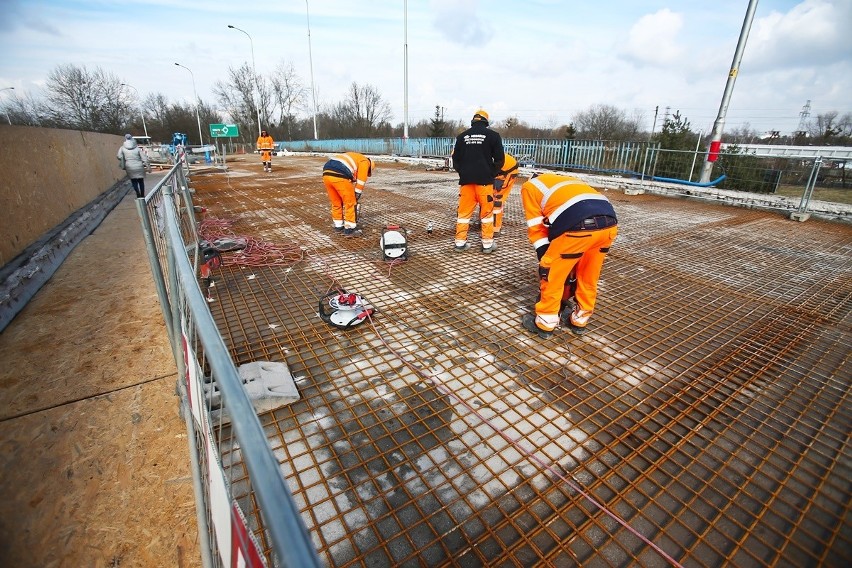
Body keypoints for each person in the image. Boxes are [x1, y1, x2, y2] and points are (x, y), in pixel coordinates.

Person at [519, 173, 618, 338]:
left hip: (577, 226)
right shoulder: (567, 181)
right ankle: (580, 320)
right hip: (609, 225)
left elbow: (536, 227)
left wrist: (547, 259)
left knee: (552, 274)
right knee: (588, 275)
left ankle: (545, 323)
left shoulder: (530, 187)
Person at [451, 109, 505, 253]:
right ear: (486, 122)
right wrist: (490, 173)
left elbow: (455, 159)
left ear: (473, 121)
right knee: (486, 213)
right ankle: (487, 244)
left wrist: (463, 172)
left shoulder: (461, 137)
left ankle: (460, 243)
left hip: (466, 183)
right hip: (484, 183)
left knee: (463, 214)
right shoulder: (493, 136)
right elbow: (500, 159)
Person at [321, 152, 375, 237]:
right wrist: (357, 194)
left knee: (336, 202)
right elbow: (361, 181)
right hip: (340, 174)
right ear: (370, 166)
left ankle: (338, 226)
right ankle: (349, 230)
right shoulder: (365, 162)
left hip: (326, 173)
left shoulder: (354, 156)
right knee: (350, 203)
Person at [493, 152, 519, 236]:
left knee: (496, 199)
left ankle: (494, 228)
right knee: (488, 196)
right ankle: (487, 221)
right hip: (502, 169)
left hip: (507, 172)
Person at [117, 134, 150, 198]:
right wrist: (148, 166)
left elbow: (119, 156)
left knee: (134, 181)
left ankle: (138, 193)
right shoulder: (137, 148)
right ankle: (142, 195)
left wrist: (124, 159)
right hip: (139, 166)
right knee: (141, 181)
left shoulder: (122, 148)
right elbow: (144, 158)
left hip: (129, 167)